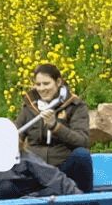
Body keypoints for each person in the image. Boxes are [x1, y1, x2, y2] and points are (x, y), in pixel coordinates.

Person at [17, 64, 93, 192]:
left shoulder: (75, 106)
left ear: (58, 82)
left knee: (82, 155)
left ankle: (84, 198)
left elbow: (83, 141)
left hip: (64, 168)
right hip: (36, 169)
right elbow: (17, 132)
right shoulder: (29, 106)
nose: (42, 89)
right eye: (38, 84)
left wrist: (55, 126)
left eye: (46, 84)